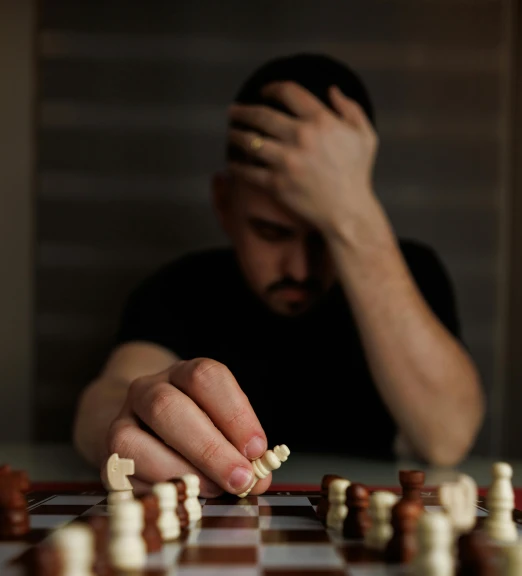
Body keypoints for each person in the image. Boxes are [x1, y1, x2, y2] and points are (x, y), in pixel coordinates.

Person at [73, 53, 485, 497]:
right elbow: (104, 401)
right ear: (224, 204)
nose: (300, 269)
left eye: (323, 235)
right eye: (271, 232)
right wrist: (125, 425)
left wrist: (353, 216)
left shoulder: (411, 271)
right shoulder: (179, 287)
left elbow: (447, 437)